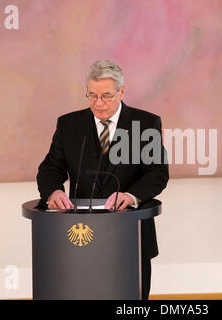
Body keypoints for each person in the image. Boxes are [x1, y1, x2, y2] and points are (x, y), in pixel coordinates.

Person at [37, 59, 169, 300]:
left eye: (106, 96)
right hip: (80, 233)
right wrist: (53, 191)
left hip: (131, 233)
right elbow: (51, 168)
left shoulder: (146, 123)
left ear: (122, 91)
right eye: (92, 95)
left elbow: (157, 173)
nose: (98, 103)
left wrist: (130, 196)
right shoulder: (69, 124)